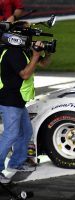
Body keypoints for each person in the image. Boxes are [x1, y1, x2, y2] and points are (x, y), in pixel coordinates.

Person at [0, 36, 52, 184]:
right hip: (9, 100)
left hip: (17, 100)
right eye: (28, 34)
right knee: (10, 134)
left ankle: (16, 163)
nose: (31, 38)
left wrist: (47, 52)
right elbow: (25, 74)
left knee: (25, 131)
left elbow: (42, 63)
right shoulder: (13, 52)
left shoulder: (21, 51)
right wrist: (35, 55)